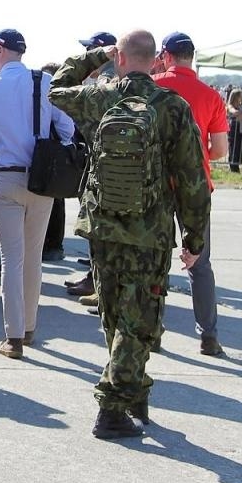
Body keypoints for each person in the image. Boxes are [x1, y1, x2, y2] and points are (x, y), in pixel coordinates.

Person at [49, 32, 208, 438]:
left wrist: (94, 57)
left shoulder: (99, 97)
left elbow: (56, 87)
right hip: (149, 230)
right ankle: (112, 407)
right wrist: (194, 237)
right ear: (156, 61)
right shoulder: (172, 106)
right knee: (140, 319)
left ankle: (133, 389)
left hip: (102, 225)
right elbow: (191, 177)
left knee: (115, 313)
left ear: (119, 57)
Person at [0, 28, 74, 357]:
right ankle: (28, 328)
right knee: (32, 257)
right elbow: (68, 129)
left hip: (6, 178)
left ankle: (13, 337)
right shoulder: (44, 82)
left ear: (1, 49)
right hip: (42, 181)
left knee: (11, 259)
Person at [152, 32, 229, 356]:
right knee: (200, 263)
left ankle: (153, 332)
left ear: (166, 56)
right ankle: (208, 335)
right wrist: (194, 156)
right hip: (196, 186)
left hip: (157, 185)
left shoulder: (152, 87)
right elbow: (220, 150)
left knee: (154, 261)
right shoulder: (211, 95)